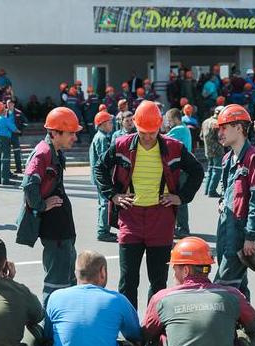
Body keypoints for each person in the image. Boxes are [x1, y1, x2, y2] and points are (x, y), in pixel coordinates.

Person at [93, 101, 204, 309]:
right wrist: (113, 195)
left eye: (152, 132)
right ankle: (130, 331)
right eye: (143, 132)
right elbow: (99, 169)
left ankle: (153, 329)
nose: (147, 137)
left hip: (161, 218)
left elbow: (197, 171)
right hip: (130, 217)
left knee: (158, 281)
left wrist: (181, 196)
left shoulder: (174, 147)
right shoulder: (122, 145)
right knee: (128, 280)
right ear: (135, 125)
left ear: (160, 126)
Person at [142, 237, 255, 346]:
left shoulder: (162, 298)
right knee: (250, 336)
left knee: (157, 335)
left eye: (175, 268)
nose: (173, 273)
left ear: (185, 270)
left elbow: (144, 335)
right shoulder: (232, 295)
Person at [45, 251, 142, 346]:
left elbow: (48, 336)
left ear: (76, 272)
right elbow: (136, 335)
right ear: (102, 271)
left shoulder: (55, 297)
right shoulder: (117, 300)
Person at [15, 107, 82, 306]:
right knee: (55, 284)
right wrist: (42, 205)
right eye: (71, 133)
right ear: (55, 133)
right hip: (55, 233)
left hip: (62, 232)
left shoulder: (54, 152)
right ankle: (50, 331)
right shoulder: (43, 153)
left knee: (67, 281)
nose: (75, 138)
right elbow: (29, 185)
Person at [215, 104, 255, 300]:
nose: (220, 132)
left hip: (240, 232)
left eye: (224, 127)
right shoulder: (228, 158)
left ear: (240, 128)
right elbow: (225, 190)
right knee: (238, 287)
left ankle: (230, 329)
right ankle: (247, 328)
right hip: (226, 228)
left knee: (223, 287)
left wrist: (251, 236)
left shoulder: (254, 159)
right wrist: (222, 202)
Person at [165, 108, 194, 239]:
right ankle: (180, 226)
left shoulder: (179, 130)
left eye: (170, 121)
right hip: (183, 168)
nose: (169, 124)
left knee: (179, 200)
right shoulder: (184, 128)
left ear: (176, 119)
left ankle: (182, 228)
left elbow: (163, 140)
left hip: (180, 169)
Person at [89, 111, 117, 242]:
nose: (112, 124)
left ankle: (104, 229)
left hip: (99, 176)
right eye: (110, 122)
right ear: (103, 124)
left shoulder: (100, 136)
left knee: (103, 203)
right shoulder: (102, 138)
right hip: (102, 176)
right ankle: (103, 231)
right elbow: (104, 159)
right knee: (105, 203)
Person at [0, 101, 18, 185]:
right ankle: (5, 180)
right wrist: (19, 130)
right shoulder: (4, 119)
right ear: (3, 110)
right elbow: (13, 128)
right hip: (4, 140)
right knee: (5, 160)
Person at [201, 106, 224, 197]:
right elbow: (220, 137)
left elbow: (201, 136)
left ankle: (207, 190)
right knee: (217, 170)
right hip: (217, 150)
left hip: (207, 150)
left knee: (210, 170)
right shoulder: (217, 123)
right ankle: (212, 191)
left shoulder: (205, 122)